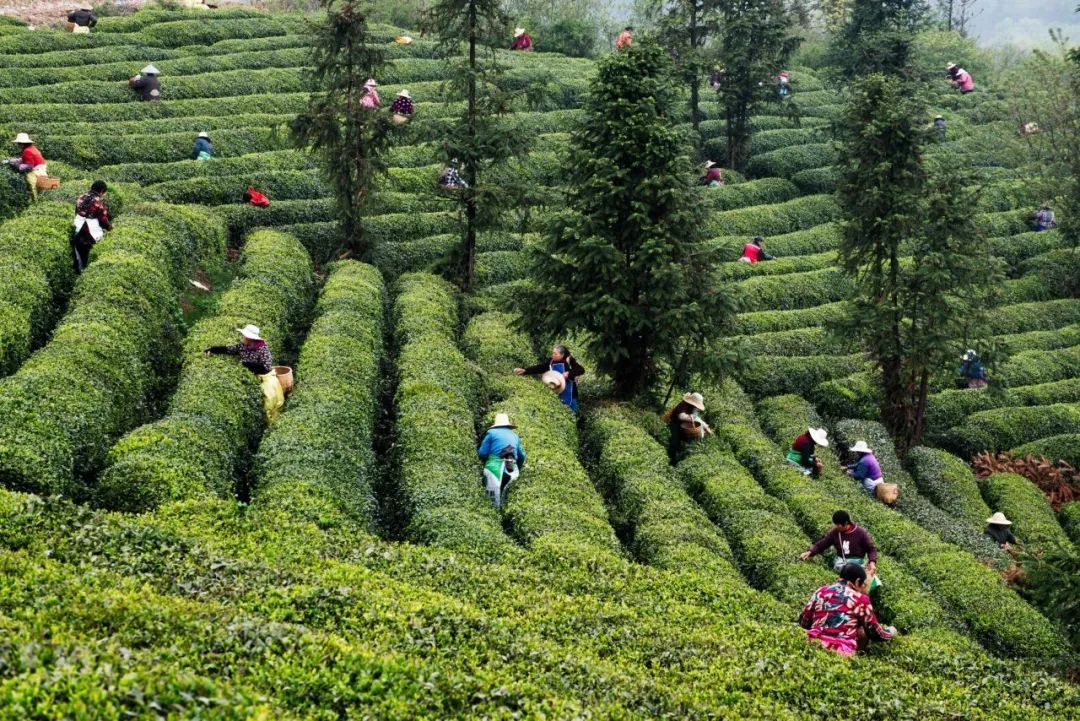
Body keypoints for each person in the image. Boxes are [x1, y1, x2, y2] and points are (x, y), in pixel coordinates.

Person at [799, 563, 896, 656]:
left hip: (813, 643)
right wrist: (891, 632)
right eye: (863, 584)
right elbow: (875, 633)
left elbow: (804, 622)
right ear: (857, 581)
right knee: (862, 630)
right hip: (840, 651)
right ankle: (858, 656)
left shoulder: (821, 591)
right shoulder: (861, 599)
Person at [204, 324, 285, 421]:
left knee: (268, 401)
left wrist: (249, 364)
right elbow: (229, 349)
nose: (242, 337)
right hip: (252, 376)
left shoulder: (262, 349)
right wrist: (212, 349)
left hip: (265, 378)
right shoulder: (243, 346)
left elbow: (266, 367)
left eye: (244, 336)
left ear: (250, 338)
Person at [799, 510, 880, 591]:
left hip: (857, 566)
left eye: (839, 525)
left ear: (846, 523)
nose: (837, 527)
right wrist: (810, 552)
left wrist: (872, 562)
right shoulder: (835, 532)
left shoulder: (860, 533)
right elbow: (823, 543)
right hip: (841, 566)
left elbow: (871, 549)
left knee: (866, 584)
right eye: (836, 524)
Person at [514, 344, 585, 413]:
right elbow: (540, 368)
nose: (553, 355)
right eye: (553, 353)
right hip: (557, 389)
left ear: (562, 355)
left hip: (570, 392)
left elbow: (581, 370)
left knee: (573, 412)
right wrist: (525, 371)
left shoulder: (569, 360)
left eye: (555, 354)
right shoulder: (551, 361)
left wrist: (569, 373)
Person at [477, 413, 526, 509]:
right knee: (507, 497)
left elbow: (482, 453)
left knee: (492, 500)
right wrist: (518, 467)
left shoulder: (491, 433)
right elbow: (522, 455)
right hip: (511, 468)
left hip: (494, 468)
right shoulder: (515, 436)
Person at [71, 180, 113, 273]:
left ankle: (78, 270)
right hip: (89, 230)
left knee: (78, 250)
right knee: (88, 252)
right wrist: (110, 227)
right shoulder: (97, 201)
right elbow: (103, 219)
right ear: (101, 191)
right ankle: (86, 271)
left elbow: (77, 211)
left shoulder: (81, 197)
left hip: (78, 226)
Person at [665, 391, 712, 462]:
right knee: (675, 441)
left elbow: (697, 418)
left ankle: (681, 455)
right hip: (675, 422)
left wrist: (704, 425)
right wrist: (691, 417)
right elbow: (681, 416)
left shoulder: (694, 408)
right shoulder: (683, 405)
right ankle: (671, 458)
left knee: (687, 440)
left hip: (684, 424)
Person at [6, 133, 48, 201]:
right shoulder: (31, 147)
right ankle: (38, 199)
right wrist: (11, 160)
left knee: (31, 184)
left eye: (19, 143)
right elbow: (23, 159)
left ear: (23, 143)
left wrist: (17, 166)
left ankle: (35, 201)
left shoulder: (27, 150)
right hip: (41, 168)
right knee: (39, 187)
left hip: (37, 170)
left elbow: (29, 166)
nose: (18, 145)